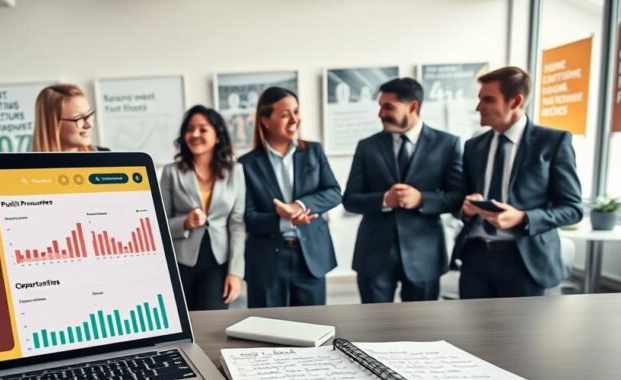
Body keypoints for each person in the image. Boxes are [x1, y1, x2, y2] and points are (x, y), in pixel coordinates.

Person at [451, 66, 583, 298]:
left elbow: (572, 209)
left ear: (515, 101)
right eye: (479, 99)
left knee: (523, 334)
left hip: (525, 261)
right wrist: (467, 207)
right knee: (471, 333)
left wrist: (523, 218)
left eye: (488, 100)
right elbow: (460, 198)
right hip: (476, 260)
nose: (478, 107)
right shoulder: (473, 147)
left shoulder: (553, 142)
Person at [343, 78, 464, 303]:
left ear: (413, 106)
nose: (380, 113)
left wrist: (421, 200)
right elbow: (350, 199)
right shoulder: (367, 146)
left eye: (388, 106)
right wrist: (384, 200)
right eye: (380, 106)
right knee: (374, 328)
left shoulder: (448, 144)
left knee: (421, 329)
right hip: (373, 255)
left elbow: (457, 198)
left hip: (425, 255)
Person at [238, 87, 342, 308]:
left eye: (296, 111)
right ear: (265, 120)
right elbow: (248, 217)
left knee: (314, 330)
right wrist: (287, 220)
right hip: (266, 260)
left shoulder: (314, 151)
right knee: (265, 331)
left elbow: (334, 192)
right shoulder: (246, 164)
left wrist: (299, 206)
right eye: (285, 114)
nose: (295, 119)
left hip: (310, 258)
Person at [160, 106, 245, 310]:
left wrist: (235, 272)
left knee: (212, 324)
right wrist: (185, 223)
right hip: (180, 262)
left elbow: (237, 224)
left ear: (217, 136)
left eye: (203, 129)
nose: (195, 134)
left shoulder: (236, 171)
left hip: (218, 263)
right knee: (184, 323)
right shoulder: (171, 172)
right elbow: (159, 224)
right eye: (189, 129)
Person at [32, 84, 109, 152]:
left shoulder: (106, 158)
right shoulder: (28, 167)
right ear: (52, 125)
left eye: (89, 115)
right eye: (79, 118)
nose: (89, 124)